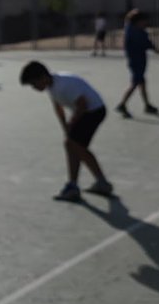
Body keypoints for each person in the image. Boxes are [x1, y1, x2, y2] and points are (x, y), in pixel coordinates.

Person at [19, 61, 114, 202]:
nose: (34, 88)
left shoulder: (63, 85)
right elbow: (58, 107)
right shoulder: (51, 87)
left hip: (94, 111)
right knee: (71, 144)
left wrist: (71, 123)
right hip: (86, 112)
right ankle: (74, 185)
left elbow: (83, 104)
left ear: (43, 77)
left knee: (76, 146)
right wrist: (65, 128)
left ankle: (100, 183)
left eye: (34, 84)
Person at [115, 10, 159, 118]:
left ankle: (147, 105)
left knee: (142, 83)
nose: (146, 23)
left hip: (138, 60)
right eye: (144, 21)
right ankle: (122, 104)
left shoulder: (133, 30)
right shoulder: (135, 32)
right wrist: (158, 50)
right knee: (136, 83)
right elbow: (146, 44)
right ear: (137, 22)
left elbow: (147, 43)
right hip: (136, 61)